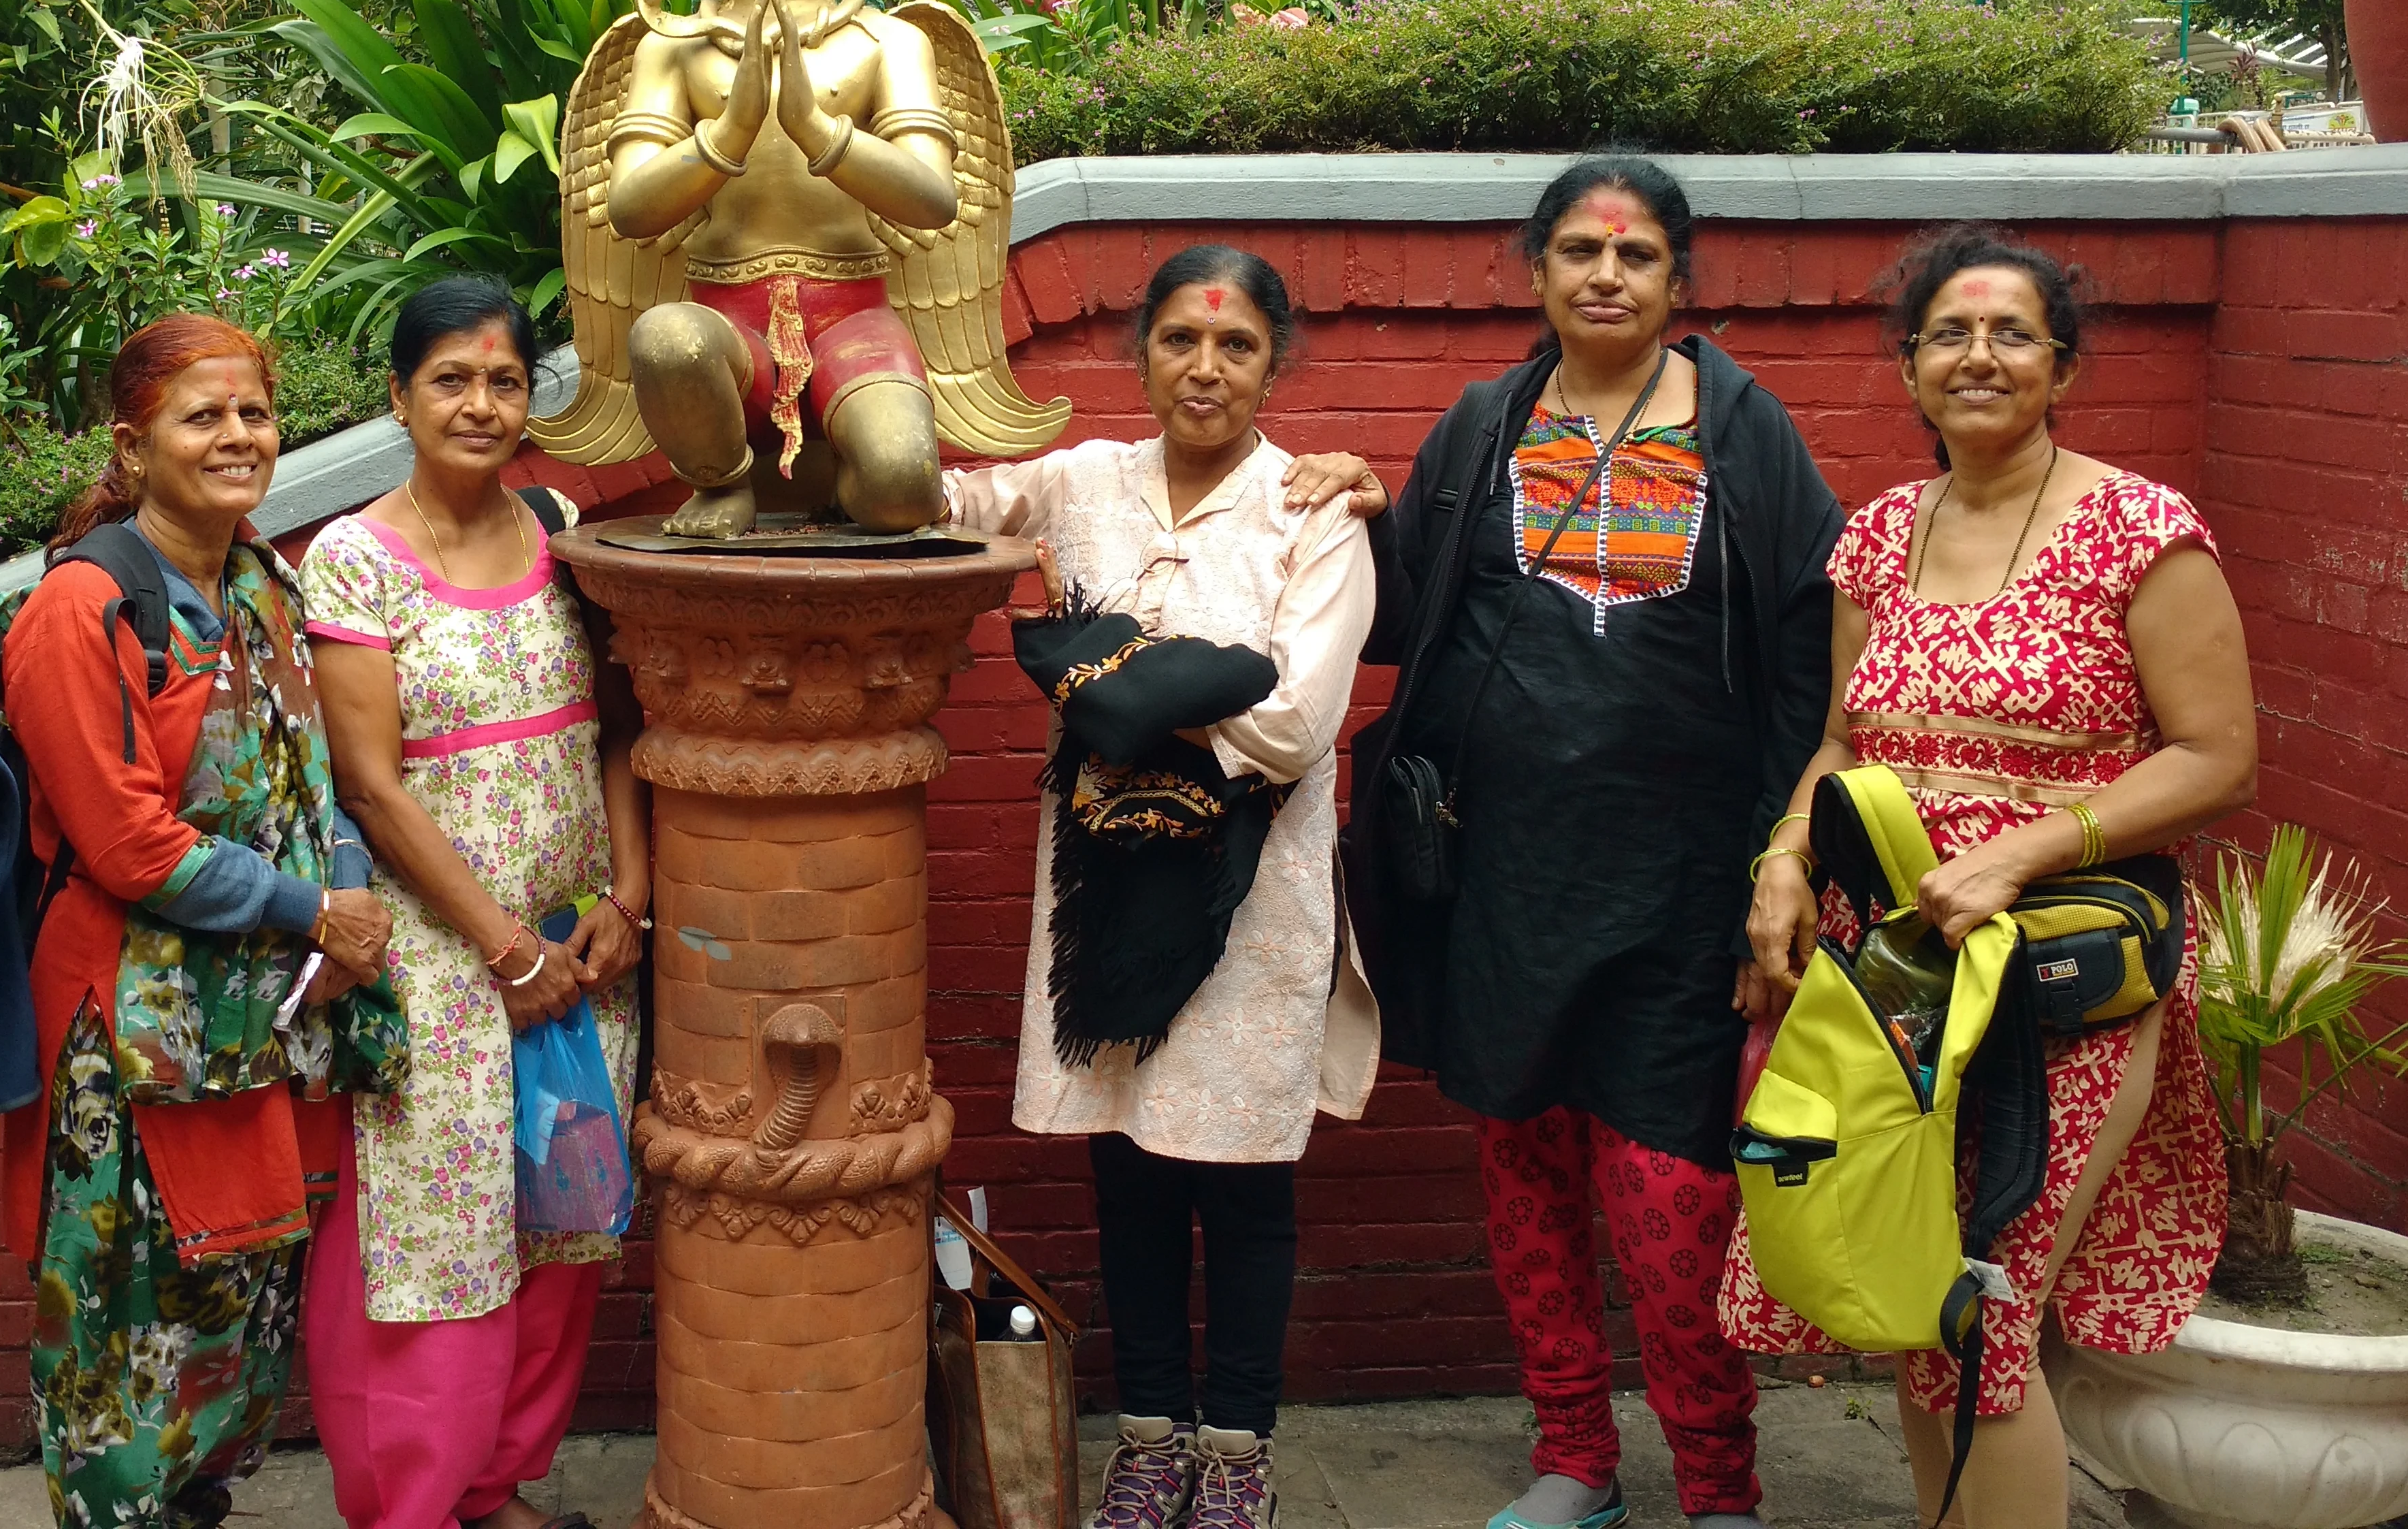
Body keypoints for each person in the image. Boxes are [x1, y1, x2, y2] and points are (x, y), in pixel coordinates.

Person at [1309, 157, 1842, 1529]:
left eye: (1637, 253)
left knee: (1671, 1202)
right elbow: (1403, 618)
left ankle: (1718, 1490)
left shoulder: (1742, 432)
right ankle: (1574, 1463)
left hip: (1683, 887)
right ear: (1534, 268)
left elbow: (1806, 664)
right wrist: (1341, 513)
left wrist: (1783, 861)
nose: (1605, 274)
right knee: (1525, 1167)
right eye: (1579, 250)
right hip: (1503, 877)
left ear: (1678, 280)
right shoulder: (1484, 427)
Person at [1721, 227, 2249, 1529]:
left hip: (2060, 983)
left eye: (2013, 332)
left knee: (1976, 1317)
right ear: (1910, 368)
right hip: (1896, 978)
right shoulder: (1883, 535)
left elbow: (2220, 756)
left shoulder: (2142, 528)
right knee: (1921, 1300)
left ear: (2063, 368)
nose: (1979, 356)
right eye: (1949, 333)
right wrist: (1784, 858)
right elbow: (1846, 740)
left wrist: (2027, 845)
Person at [941, 245, 1381, 1529]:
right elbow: (945, 504)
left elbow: (1297, 726)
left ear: (1271, 363)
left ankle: (1237, 1455)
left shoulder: (1314, 512)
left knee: (1243, 1182)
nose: (1206, 368)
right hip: (1105, 893)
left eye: (1237, 345)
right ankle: (1149, 1445)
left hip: (1252, 907)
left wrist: (1112, 687)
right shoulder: (1080, 484)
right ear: (1141, 352)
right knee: (1129, 1171)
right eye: (1183, 342)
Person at [0, 314, 401, 1528]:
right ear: (131, 445)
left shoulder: (265, 578)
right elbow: (128, 845)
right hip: (128, 1030)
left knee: (238, 1294)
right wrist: (313, 910)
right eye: (202, 415)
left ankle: (191, 1502)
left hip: (256, 1018)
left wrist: (341, 882)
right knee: (128, 1311)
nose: (239, 436)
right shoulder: (84, 608)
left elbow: (316, 775)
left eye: (254, 413)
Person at [303, 277, 649, 1529]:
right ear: (398, 397)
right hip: (450, 971)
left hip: (578, 960)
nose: (481, 402)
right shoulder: (353, 559)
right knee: (438, 1245)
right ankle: (414, 1502)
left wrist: (630, 900)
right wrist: (500, 948)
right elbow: (371, 787)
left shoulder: (562, 529)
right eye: (451, 378)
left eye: (505, 379)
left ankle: (496, 1490)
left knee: (560, 1238)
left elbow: (618, 731)